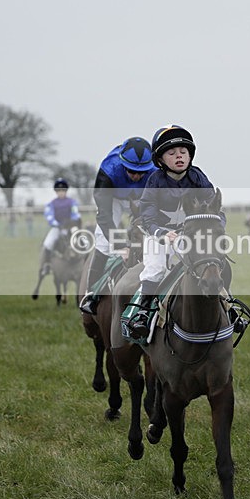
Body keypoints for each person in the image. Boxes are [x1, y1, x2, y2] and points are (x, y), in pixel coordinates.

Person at [127, 124, 225, 338]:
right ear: (161, 160)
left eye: (183, 152)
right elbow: (147, 215)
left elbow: (215, 209)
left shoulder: (198, 177)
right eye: (171, 153)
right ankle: (143, 314)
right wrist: (162, 233)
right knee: (155, 267)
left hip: (190, 236)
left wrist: (217, 230)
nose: (179, 156)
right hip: (159, 236)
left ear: (190, 155)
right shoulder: (155, 181)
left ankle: (228, 307)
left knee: (213, 261)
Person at [80, 137, 157, 315]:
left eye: (141, 172)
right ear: (123, 165)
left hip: (142, 198)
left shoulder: (154, 171)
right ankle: (91, 294)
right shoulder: (108, 170)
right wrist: (121, 246)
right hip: (113, 198)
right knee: (103, 241)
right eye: (131, 172)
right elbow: (104, 215)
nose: (137, 176)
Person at [39, 178, 81, 275]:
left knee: (82, 239)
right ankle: (47, 265)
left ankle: (85, 260)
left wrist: (72, 222)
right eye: (59, 191)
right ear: (56, 192)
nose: (61, 192)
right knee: (48, 243)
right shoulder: (52, 203)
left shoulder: (72, 202)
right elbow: (49, 216)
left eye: (63, 190)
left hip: (70, 226)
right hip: (57, 227)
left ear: (66, 191)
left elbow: (75, 214)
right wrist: (56, 224)